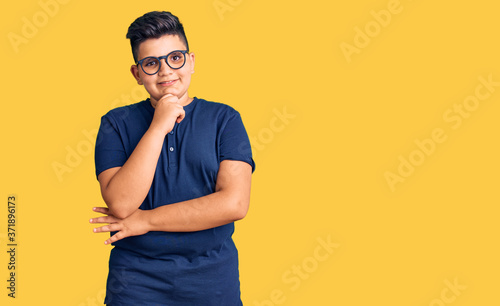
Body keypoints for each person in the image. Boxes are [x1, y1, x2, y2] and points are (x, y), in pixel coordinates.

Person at [89, 11, 255, 305]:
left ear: (191, 61)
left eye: (175, 58)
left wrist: (146, 221)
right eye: (151, 64)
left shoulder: (225, 119)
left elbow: (234, 203)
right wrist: (159, 125)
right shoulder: (115, 123)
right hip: (134, 284)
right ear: (137, 74)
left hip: (213, 281)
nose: (165, 71)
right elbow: (122, 203)